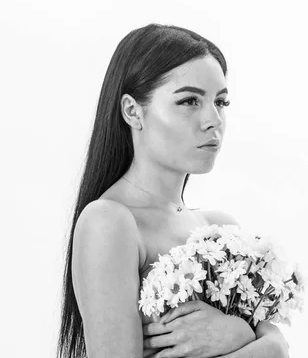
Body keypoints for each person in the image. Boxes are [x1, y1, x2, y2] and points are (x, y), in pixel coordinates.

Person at [57, 23, 290, 358]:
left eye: (221, 102)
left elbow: (276, 337)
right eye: (190, 101)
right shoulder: (109, 222)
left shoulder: (220, 228)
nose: (213, 120)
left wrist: (254, 336)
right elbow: (273, 346)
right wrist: (262, 345)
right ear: (132, 111)